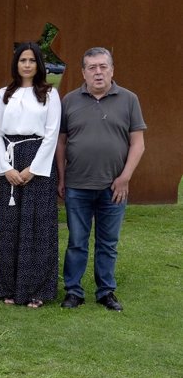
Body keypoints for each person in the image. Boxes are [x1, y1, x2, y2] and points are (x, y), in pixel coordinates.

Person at [57, 47, 146, 312]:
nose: (98, 72)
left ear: (112, 70)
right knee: (77, 242)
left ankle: (106, 291)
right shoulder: (69, 101)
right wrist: (62, 178)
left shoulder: (129, 100)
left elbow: (138, 143)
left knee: (108, 243)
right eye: (92, 67)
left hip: (114, 187)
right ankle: (73, 291)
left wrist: (125, 178)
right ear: (83, 72)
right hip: (77, 185)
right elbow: (61, 143)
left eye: (103, 66)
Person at [0, 42, 61, 308]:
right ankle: (7, 286)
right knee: (7, 227)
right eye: (23, 60)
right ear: (16, 64)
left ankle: (37, 290)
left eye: (32, 60)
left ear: (39, 65)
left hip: (37, 163)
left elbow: (52, 134)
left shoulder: (50, 94)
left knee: (37, 227)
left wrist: (33, 168)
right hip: (7, 162)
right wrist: (5, 168)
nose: (27, 65)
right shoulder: (3, 94)